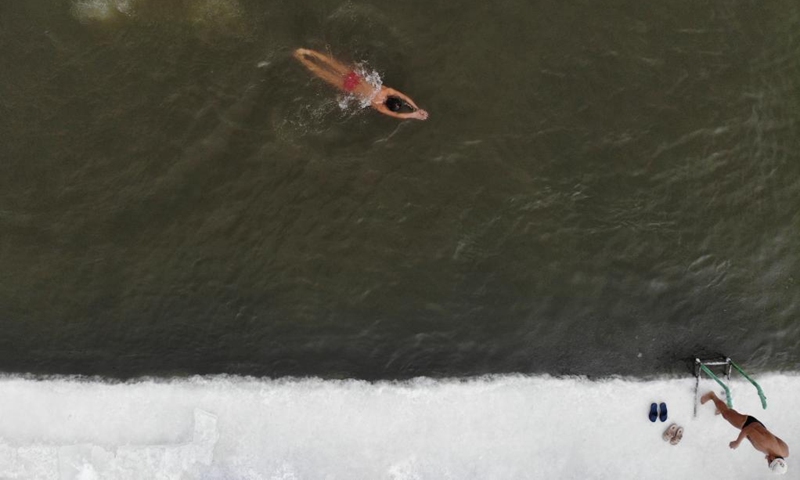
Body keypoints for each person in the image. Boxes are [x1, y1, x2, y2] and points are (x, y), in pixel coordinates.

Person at [293, 48, 429, 121]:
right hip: (349, 87)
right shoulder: (379, 106)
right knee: (322, 73)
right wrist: (413, 115)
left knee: (332, 63)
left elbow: (405, 98)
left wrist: (417, 109)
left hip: (356, 77)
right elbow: (398, 116)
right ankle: (301, 59)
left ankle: (307, 52)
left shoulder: (388, 91)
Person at [701, 391, 789, 475]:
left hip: (758, 427)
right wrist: (737, 442)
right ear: (773, 458)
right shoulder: (764, 443)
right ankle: (712, 396)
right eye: (769, 462)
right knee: (726, 415)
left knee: (731, 416)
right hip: (746, 423)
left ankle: (723, 407)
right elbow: (748, 430)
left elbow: (773, 440)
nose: (767, 462)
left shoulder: (784, 452)